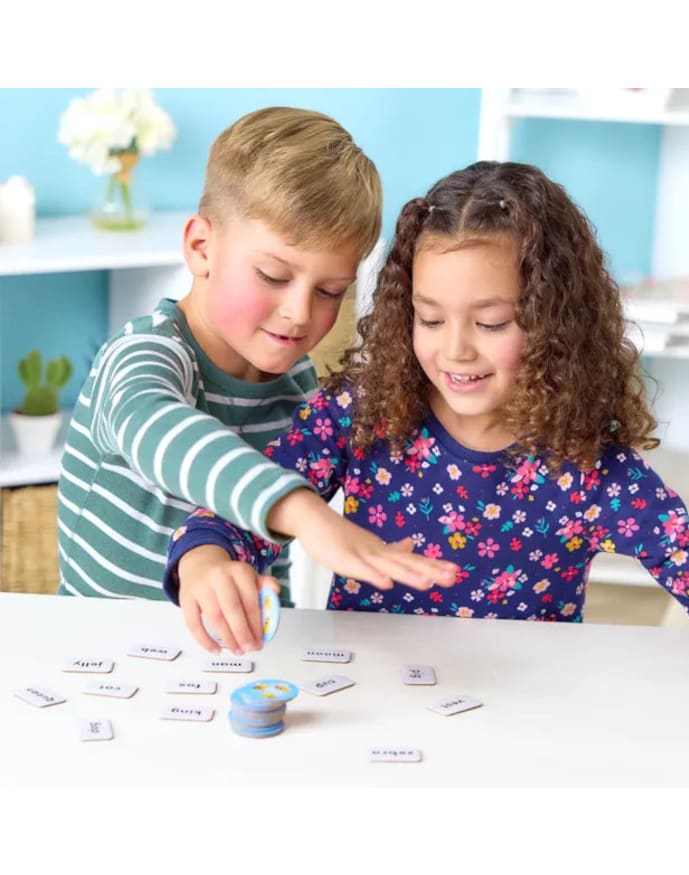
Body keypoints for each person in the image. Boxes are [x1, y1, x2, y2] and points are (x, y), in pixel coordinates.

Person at [165, 159, 689, 652]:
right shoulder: (362, 413)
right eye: (431, 319)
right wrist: (206, 560)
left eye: (491, 323)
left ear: (556, 325)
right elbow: (237, 511)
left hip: (523, 718)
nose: (456, 350)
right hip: (366, 698)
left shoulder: (590, 465)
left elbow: (686, 556)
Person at [57, 107, 459, 626]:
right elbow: (160, 430)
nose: (299, 312)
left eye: (330, 291)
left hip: (241, 654)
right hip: (104, 650)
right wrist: (303, 511)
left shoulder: (301, 389)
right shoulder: (144, 353)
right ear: (201, 248)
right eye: (272, 275)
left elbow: (266, 554)